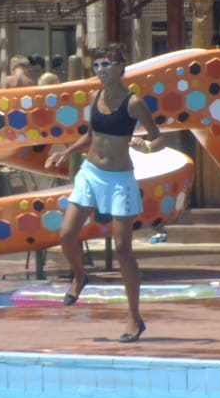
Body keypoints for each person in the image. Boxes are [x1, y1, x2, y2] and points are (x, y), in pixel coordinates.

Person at [45, 44, 162, 342]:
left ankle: (134, 318)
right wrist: (65, 153)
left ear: (121, 67)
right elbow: (90, 135)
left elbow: (158, 137)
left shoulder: (134, 103)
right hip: (91, 173)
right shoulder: (95, 97)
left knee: (123, 248)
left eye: (106, 64)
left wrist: (147, 146)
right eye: (97, 65)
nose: (100, 70)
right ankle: (80, 276)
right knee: (66, 235)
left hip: (120, 179)